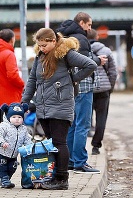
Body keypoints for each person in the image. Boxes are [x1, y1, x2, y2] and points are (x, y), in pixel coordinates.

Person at [21, 28, 97, 190]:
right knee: (51, 143)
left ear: (53, 41)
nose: (41, 48)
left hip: (61, 104)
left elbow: (90, 64)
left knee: (59, 142)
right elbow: (33, 80)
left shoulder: (65, 54)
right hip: (43, 106)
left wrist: (72, 80)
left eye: (44, 45)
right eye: (39, 45)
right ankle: (54, 175)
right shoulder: (40, 57)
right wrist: (24, 102)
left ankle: (62, 179)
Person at [56, 12, 107, 174]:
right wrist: (98, 60)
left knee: (72, 124)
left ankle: (70, 160)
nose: (89, 28)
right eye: (89, 25)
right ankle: (80, 161)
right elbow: (85, 63)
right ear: (82, 22)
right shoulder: (81, 37)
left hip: (70, 86)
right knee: (83, 125)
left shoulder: (63, 36)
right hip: (83, 84)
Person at [87, 29, 117, 155]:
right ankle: (96, 146)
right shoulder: (106, 51)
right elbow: (113, 72)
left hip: (87, 89)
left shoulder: (83, 51)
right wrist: (110, 87)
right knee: (102, 118)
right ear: (97, 37)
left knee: (86, 118)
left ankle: (81, 146)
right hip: (104, 90)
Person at [0, 103, 33, 188]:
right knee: (2, 167)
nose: (17, 119)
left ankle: (6, 179)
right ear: (8, 117)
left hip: (14, 154)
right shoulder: (4, 126)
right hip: (2, 152)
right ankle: (4, 179)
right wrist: (2, 143)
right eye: (14, 117)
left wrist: (30, 147)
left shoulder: (23, 129)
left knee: (12, 167)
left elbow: (27, 139)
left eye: (19, 117)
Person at [0, 29, 25, 122]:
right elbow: (13, 75)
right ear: (12, 40)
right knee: (9, 130)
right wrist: (22, 84)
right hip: (9, 99)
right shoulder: (8, 54)